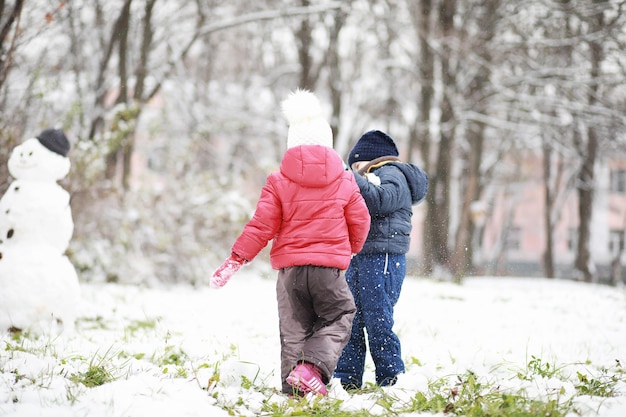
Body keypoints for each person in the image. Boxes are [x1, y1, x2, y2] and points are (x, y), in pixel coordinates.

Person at [210, 89, 371, 397]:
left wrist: (236, 259)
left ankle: (292, 389)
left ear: (291, 144)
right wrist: (350, 247)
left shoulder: (278, 181)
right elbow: (361, 221)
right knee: (340, 314)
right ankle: (311, 370)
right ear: (328, 143)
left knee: (294, 329)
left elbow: (262, 225)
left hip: (291, 272)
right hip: (328, 270)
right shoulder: (344, 179)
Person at [334, 129, 428, 390]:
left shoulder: (392, 174)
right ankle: (347, 377)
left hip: (384, 257)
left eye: (357, 165)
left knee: (378, 319)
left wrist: (349, 177)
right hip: (361, 255)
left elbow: (380, 201)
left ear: (372, 158)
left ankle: (392, 376)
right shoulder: (371, 178)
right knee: (351, 317)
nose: (356, 171)